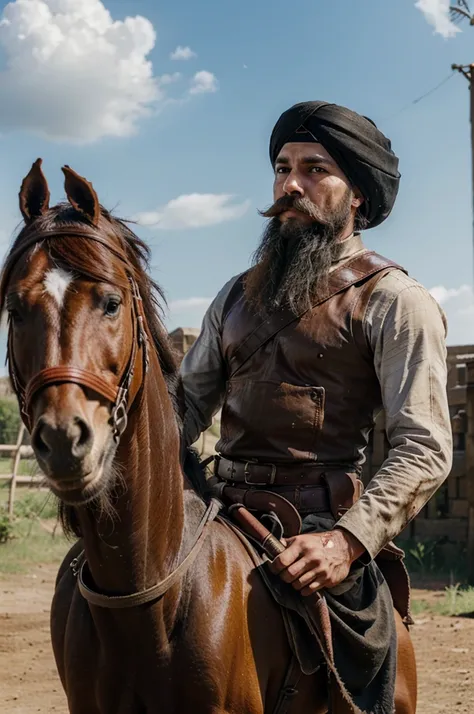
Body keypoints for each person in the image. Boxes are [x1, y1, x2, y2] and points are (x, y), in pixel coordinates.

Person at [179, 100, 452, 710]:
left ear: (357, 193)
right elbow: (185, 409)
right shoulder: (235, 296)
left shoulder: (394, 300)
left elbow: (425, 447)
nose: (290, 185)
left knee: (362, 679)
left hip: (319, 529)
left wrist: (349, 541)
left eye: (314, 169)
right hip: (219, 514)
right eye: (282, 167)